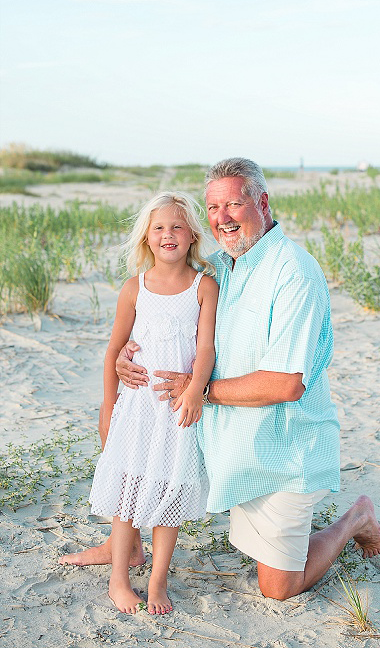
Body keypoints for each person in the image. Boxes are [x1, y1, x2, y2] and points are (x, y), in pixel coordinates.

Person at [62, 158, 380, 600]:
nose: (223, 218)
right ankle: (123, 544)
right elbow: (162, 300)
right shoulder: (217, 267)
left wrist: (200, 390)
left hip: (281, 454)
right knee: (142, 460)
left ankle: (355, 519)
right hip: (227, 447)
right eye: (214, 208)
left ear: (263, 203)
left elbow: (287, 383)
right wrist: (122, 355)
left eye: (234, 204)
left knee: (278, 587)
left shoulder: (294, 273)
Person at [85, 191, 218, 614]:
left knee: (168, 490)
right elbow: (114, 351)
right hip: (136, 410)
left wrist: (196, 388)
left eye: (177, 226)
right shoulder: (134, 288)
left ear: (192, 234)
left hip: (176, 413)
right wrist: (108, 407)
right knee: (126, 491)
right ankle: (119, 580)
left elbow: (207, 347)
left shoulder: (204, 286)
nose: (168, 234)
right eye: (159, 227)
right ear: (146, 237)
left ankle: (158, 581)